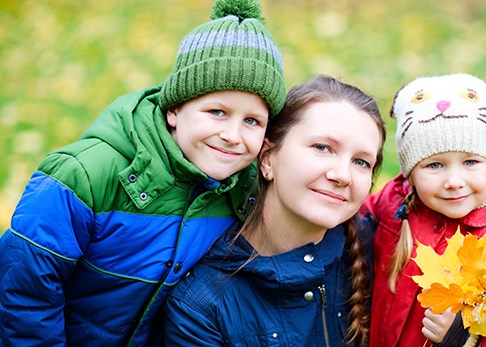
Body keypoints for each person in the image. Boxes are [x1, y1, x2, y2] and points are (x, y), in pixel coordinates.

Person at [0, 0, 285, 345]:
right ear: (174, 110)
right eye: (217, 112)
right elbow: (25, 291)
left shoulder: (243, 190)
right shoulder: (83, 177)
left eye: (251, 121)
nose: (232, 135)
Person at [163, 75, 387, 346]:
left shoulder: (382, 251)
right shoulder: (202, 303)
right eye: (322, 148)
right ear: (268, 158)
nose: (342, 175)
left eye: (361, 162)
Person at [361, 73, 486, 347]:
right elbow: (346, 221)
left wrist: (461, 334)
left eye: (471, 161)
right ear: (410, 175)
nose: (454, 182)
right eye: (434, 165)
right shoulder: (393, 203)